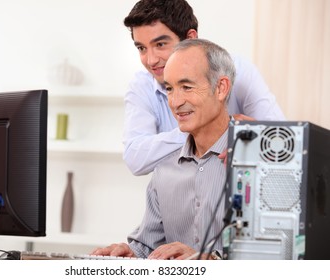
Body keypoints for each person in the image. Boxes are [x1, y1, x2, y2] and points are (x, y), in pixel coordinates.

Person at [92, 38, 235, 260]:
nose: (175, 102)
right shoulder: (165, 169)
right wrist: (129, 254)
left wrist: (210, 259)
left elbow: (282, 256)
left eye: (186, 87)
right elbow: (148, 248)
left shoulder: (260, 165)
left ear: (221, 88)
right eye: (169, 89)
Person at [122, 0, 285, 176]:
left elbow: (282, 142)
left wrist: (257, 137)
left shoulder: (240, 73)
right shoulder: (142, 86)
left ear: (190, 38)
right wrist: (208, 130)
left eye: (160, 44)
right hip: (179, 194)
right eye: (141, 48)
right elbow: (135, 159)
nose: (151, 60)